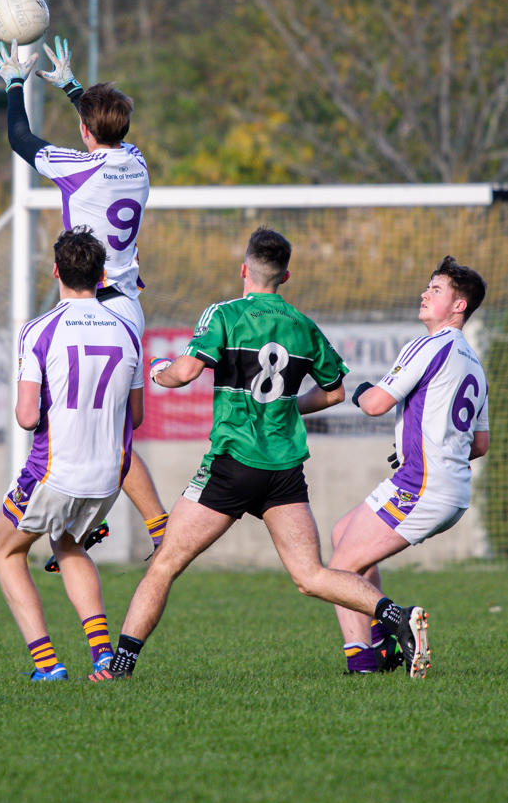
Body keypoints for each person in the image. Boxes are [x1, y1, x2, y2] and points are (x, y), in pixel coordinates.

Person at [89, 227, 430, 682]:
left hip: (232, 465)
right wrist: (289, 405)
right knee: (310, 575)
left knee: (166, 563)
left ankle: (120, 667)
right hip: (283, 470)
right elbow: (334, 393)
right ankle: (396, 615)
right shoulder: (304, 326)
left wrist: (156, 370)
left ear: (244, 269)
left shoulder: (225, 314)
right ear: (285, 276)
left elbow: (184, 373)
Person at [0, 35, 168, 554]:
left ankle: (152, 525)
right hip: (128, 303)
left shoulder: (79, 167)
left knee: (91, 422)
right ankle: (94, 522)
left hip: (95, 300)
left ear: (86, 131)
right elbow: (104, 133)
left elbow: (20, 137)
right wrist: (72, 87)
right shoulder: (137, 162)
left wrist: (15, 84)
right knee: (103, 422)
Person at [0, 226, 144, 680]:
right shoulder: (127, 330)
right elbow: (134, 417)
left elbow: (25, 416)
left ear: (56, 270)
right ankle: (100, 654)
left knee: (5, 551)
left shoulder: (39, 330)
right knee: (68, 542)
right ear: (101, 276)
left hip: (56, 471)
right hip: (108, 477)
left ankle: (47, 665)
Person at [329, 256, 489, 675]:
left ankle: (368, 658)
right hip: (444, 487)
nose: (424, 293)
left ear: (459, 306)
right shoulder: (472, 360)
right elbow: (481, 444)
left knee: (338, 571)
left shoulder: (432, 344)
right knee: (341, 533)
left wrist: (360, 389)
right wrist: (425, 447)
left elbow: (375, 404)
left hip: (422, 486)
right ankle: (382, 646)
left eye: (436, 290)